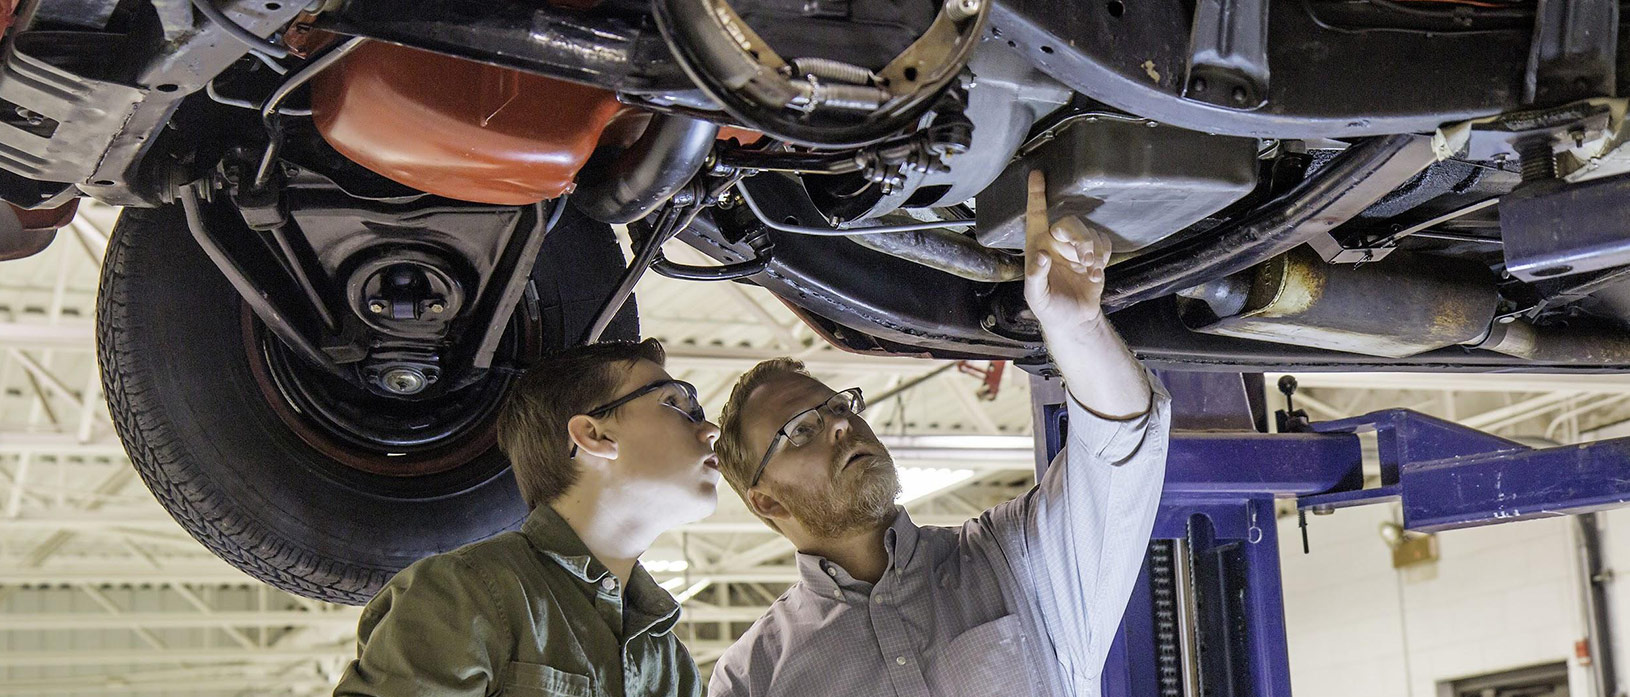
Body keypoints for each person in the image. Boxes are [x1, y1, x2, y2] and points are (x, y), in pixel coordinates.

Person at [708, 170, 1171, 697]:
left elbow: (1121, 447)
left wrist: (1077, 329)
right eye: (801, 430)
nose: (840, 423)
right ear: (767, 502)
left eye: (837, 405)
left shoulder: (1013, 557)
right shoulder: (753, 676)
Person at [334, 338, 721, 696]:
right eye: (676, 403)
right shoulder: (465, 593)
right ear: (593, 434)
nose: (710, 430)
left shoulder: (671, 663)